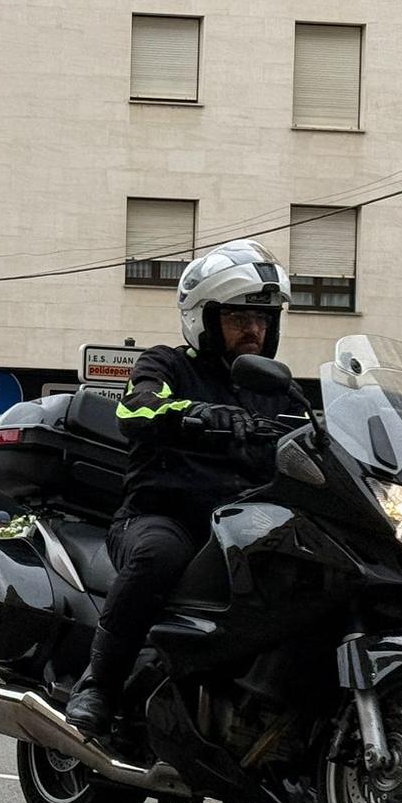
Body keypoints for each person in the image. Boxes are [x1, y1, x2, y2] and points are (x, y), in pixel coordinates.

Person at [64, 239, 296, 737]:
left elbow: (318, 435)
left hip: (244, 527)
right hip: (164, 517)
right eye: (240, 317)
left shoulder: (274, 385)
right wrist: (193, 413)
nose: (254, 329)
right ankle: (98, 685)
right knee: (158, 556)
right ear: (205, 318)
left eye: (263, 319)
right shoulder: (166, 365)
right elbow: (136, 408)